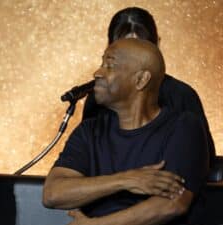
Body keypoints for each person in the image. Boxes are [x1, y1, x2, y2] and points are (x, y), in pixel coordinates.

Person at [43, 38, 208, 225]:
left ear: (141, 80)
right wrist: (126, 180)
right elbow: (53, 193)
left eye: (109, 65)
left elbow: (171, 205)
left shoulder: (182, 126)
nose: (97, 73)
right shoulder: (90, 130)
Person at [82, 7, 215, 166]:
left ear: (157, 46)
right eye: (125, 54)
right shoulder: (97, 98)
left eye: (142, 52)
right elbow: (84, 164)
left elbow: (203, 161)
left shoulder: (182, 96)